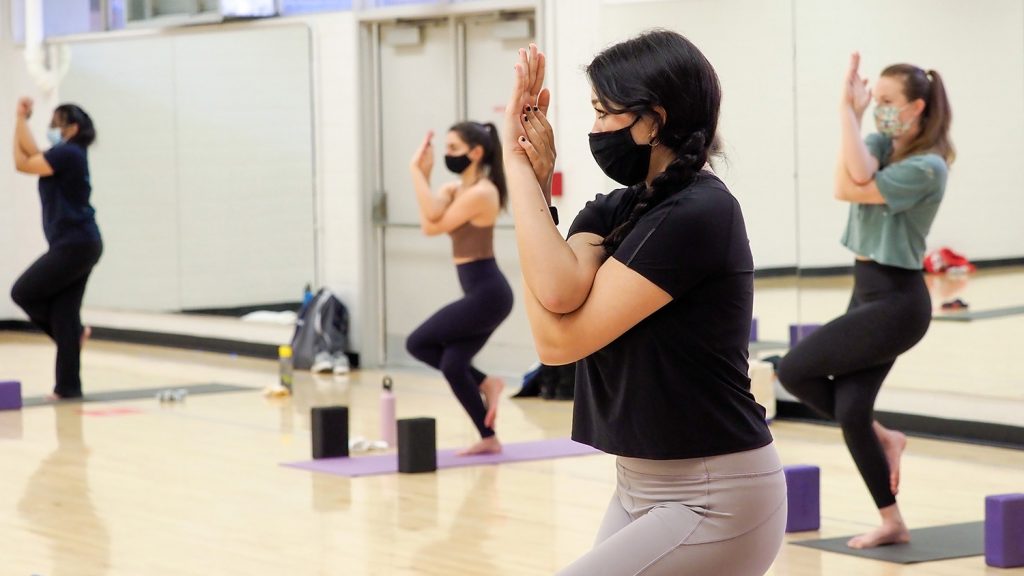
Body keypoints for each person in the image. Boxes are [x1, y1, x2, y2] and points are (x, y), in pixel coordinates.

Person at [502, 33, 785, 575]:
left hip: (715, 495)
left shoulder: (699, 213)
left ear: (653, 121)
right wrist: (535, 185)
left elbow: (556, 341)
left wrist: (515, 171)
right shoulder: (616, 208)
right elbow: (559, 289)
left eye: (605, 112)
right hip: (638, 487)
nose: (593, 128)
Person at [777, 53, 953, 549]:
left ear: (917, 107)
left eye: (887, 102)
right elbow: (851, 174)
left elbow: (845, 186)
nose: (879, 109)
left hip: (898, 302)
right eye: (874, 100)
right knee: (851, 412)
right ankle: (892, 519)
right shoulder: (879, 144)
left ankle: (882, 436)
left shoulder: (929, 167)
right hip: (867, 291)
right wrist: (851, 116)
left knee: (793, 370)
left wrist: (848, 119)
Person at [405, 121, 514, 456]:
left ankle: (485, 383)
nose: (448, 155)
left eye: (453, 149)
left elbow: (430, 227)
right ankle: (488, 436)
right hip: (480, 294)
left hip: (488, 294)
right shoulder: (457, 190)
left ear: (476, 152)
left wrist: (416, 172)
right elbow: (432, 215)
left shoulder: (483, 193)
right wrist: (427, 179)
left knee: (417, 342)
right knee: (453, 365)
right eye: (447, 149)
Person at [12, 99, 103, 401]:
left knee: (23, 292)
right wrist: (20, 120)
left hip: (76, 243)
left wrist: (20, 119)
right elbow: (24, 157)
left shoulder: (69, 154)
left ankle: (73, 337)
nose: (51, 128)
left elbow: (25, 162)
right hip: (78, 243)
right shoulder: (65, 154)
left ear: (72, 128)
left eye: (56, 122)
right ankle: (68, 388)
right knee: (64, 315)